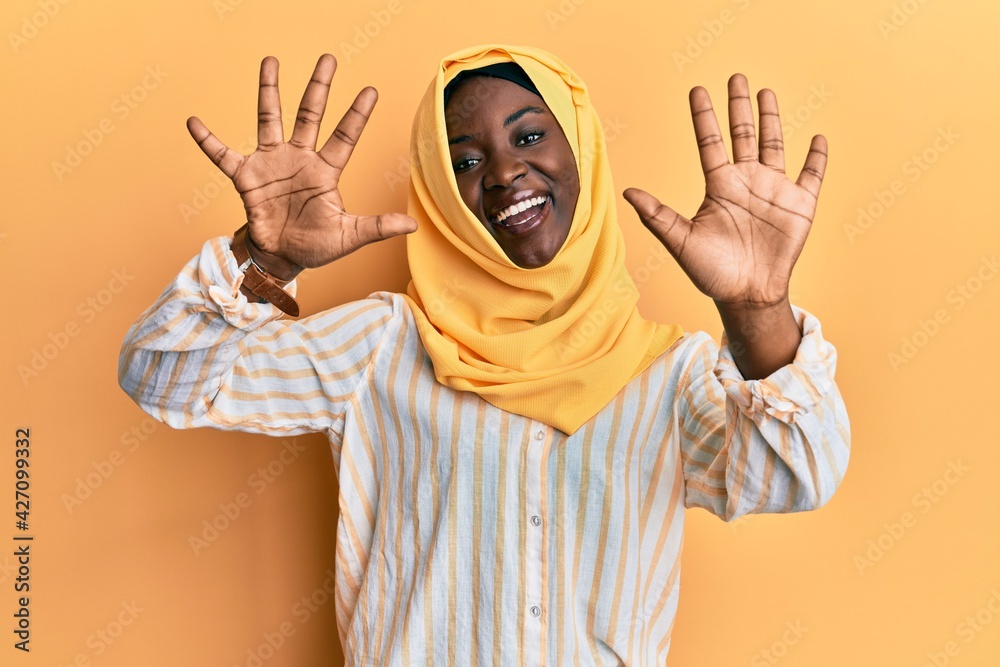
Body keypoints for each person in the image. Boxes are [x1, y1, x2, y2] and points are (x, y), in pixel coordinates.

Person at [118, 44, 850, 666]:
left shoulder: (670, 377)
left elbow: (797, 475)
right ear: (442, 196)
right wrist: (266, 257)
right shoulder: (382, 346)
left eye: (529, 137)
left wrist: (756, 308)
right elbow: (163, 378)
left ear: (582, 151)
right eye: (465, 160)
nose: (503, 172)